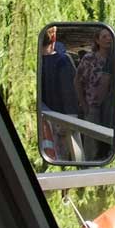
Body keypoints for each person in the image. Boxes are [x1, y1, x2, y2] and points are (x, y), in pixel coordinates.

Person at [74, 28, 115, 160]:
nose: (108, 39)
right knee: (91, 142)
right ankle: (89, 166)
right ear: (97, 40)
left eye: (110, 36)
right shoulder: (89, 59)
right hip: (93, 107)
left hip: (110, 108)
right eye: (104, 37)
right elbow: (77, 81)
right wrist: (84, 103)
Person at [40, 26, 79, 161]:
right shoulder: (63, 62)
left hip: (44, 122)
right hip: (60, 123)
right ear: (54, 38)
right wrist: (72, 120)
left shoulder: (33, 63)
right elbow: (69, 94)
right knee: (60, 158)